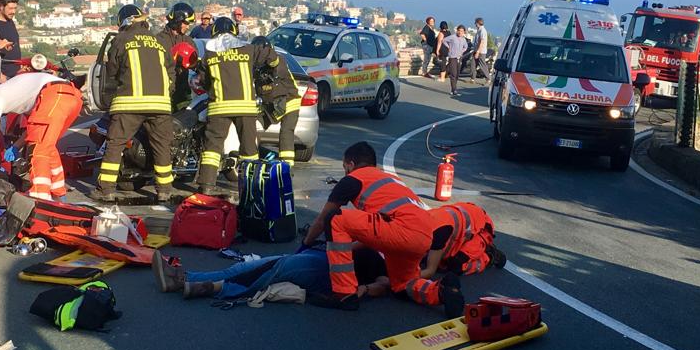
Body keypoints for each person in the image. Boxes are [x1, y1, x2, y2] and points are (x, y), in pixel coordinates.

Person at [302, 142, 464, 316]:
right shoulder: (391, 180)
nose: (345, 171)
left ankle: (344, 294)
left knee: (335, 218)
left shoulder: (353, 179)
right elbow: (373, 233)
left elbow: (322, 219)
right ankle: (440, 291)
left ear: (350, 164)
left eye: (344, 167)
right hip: (424, 236)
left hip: (401, 229)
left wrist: (306, 244)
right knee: (402, 285)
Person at [91, 5, 176, 204]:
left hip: (129, 104)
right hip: (160, 105)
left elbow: (112, 71)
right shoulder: (160, 41)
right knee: (162, 146)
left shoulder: (121, 39)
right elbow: (171, 72)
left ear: (124, 22)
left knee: (115, 144)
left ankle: (106, 190)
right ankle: (164, 190)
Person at [195, 17, 273, 194]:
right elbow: (268, 56)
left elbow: (205, 82)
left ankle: (206, 186)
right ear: (234, 32)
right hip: (245, 108)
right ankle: (251, 187)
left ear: (214, 33)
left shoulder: (210, 55)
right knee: (249, 149)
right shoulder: (248, 50)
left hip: (219, 108)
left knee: (212, 148)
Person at [0, 63, 83, 202]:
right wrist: (16, 147)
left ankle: (40, 198)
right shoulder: (19, 94)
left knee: (38, 150)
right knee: (47, 146)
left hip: (53, 94)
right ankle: (59, 194)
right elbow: (33, 131)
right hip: (72, 96)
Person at [152, 246, 389, 303]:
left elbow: (384, 283)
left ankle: (211, 287)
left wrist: (365, 289)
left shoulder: (381, 258)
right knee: (245, 269)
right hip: (317, 258)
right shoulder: (374, 238)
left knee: (269, 271)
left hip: (322, 268)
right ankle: (185, 279)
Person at [420, 202, 506, 280]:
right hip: (464, 215)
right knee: (428, 259)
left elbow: (430, 271)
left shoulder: (439, 234)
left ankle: (488, 256)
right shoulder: (421, 222)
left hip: (480, 229)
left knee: (457, 266)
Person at [251, 35, 300, 166]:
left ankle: (287, 165)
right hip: (270, 104)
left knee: (286, 132)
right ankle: (254, 158)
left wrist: (262, 54)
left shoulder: (278, 60)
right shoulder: (255, 67)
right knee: (252, 126)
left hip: (289, 101)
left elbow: (273, 62)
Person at [158, 2, 199, 111]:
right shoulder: (159, 41)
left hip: (183, 94)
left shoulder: (188, 41)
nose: (188, 26)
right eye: (186, 23)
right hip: (164, 94)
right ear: (177, 20)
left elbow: (196, 64)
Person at [0, 0, 21, 79]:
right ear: (1, 7)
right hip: (2, 76)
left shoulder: (10, 22)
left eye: (15, 8)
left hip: (15, 74)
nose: (13, 12)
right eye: (10, 8)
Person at [444, 25, 469, 97]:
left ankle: (453, 89)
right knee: (453, 74)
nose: (460, 32)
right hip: (452, 57)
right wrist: (448, 47)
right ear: (457, 31)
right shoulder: (452, 37)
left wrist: (462, 51)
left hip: (459, 58)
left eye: (462, 31)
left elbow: (466, 47)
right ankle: (454, 90)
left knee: (457, 74)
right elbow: (444, 40)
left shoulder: (463, 39)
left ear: (464, 32)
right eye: (459, 31)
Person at [471, 17, 489, 82]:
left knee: (482, 65)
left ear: (477, 23)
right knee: (473, 64)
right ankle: (473, 78)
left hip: (481, 51)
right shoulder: (479, 30)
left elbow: (482, 42)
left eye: (475, 23)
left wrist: (478, 52)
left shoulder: (482, 31)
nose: (475, 24)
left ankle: (488, 78)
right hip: (476, 50)